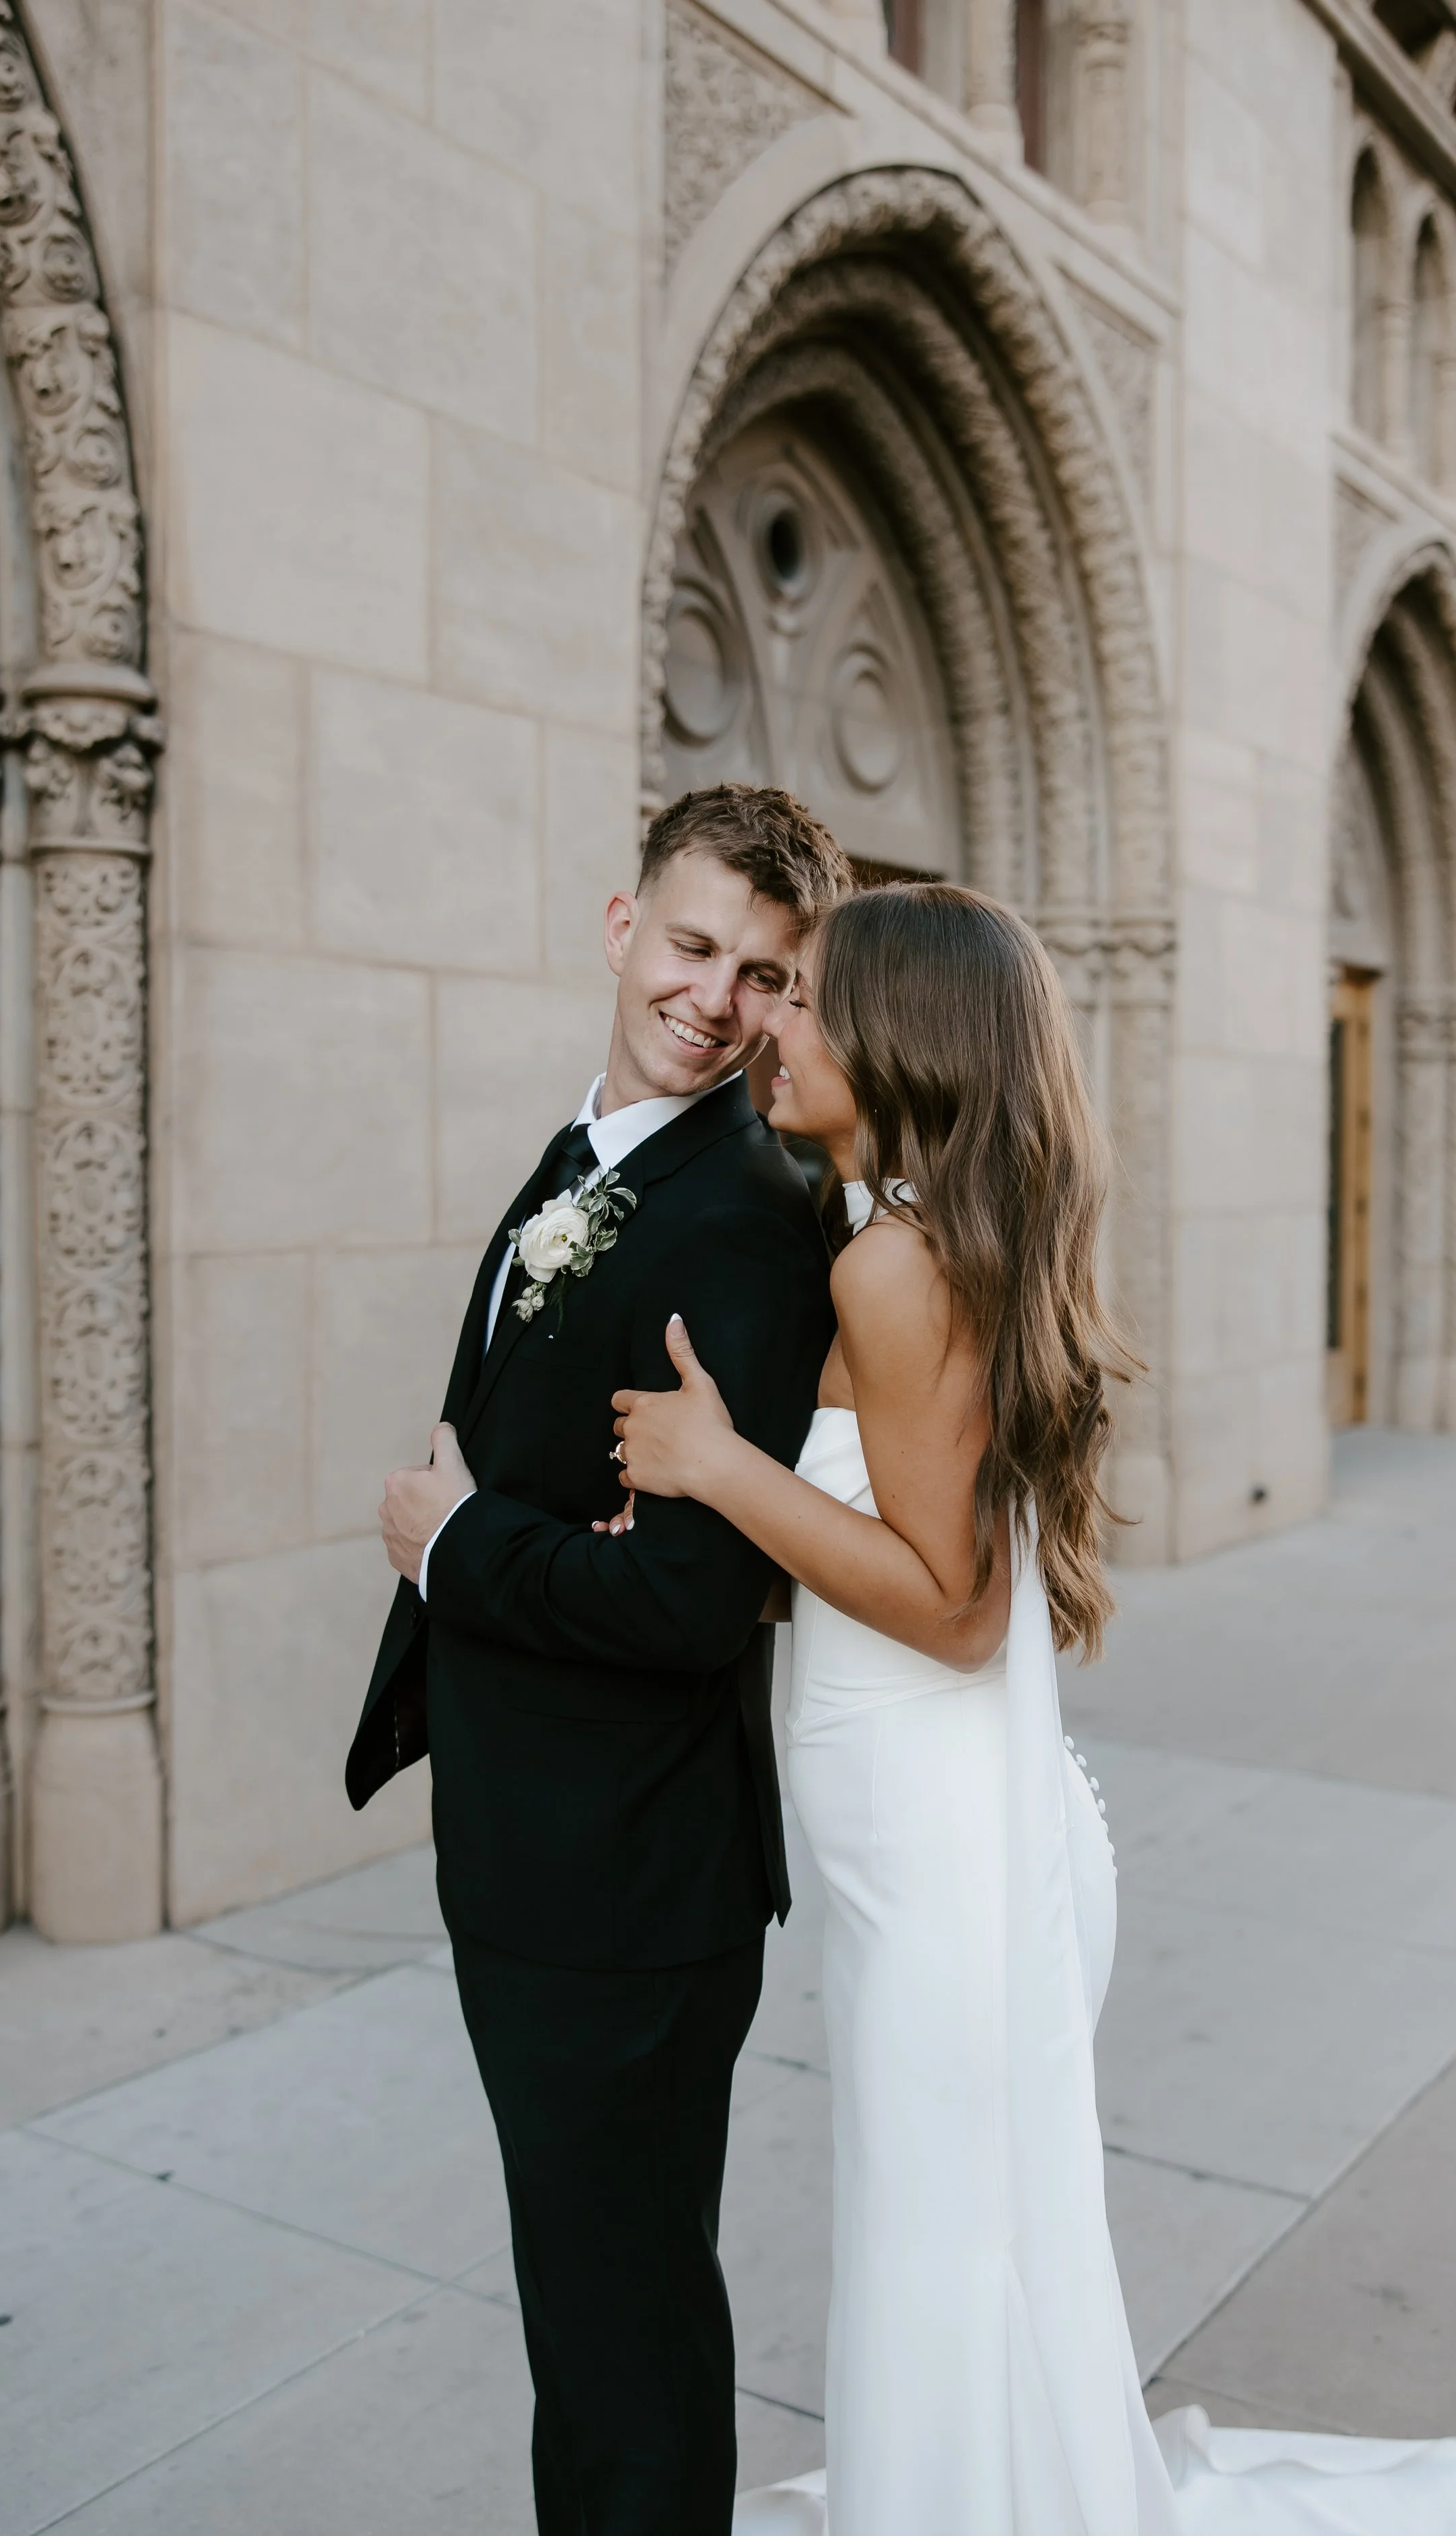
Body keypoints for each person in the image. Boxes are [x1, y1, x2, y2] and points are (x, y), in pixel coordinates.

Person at [609, 879, 1456, 2536]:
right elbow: (893, 1551)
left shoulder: (888, 1264)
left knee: (943, 2249)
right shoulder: (917, 1242)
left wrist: (718, 1467)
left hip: (945, 1863)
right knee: (957, 2244)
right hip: (941, 1841)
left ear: (894, 1036)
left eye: (800, 997)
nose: (762, 1026)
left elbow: (947, 1606)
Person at [347, 783, 849, 2536]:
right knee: (589, 2320)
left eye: (764, 975)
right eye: (697, 944)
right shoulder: (590, 1151)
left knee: (622, 2341)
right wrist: (496, 1515)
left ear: (796, 1001)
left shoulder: (740, 1220)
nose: (716, 997)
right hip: (538, 1844)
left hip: (626, 1885)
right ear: (618, 919)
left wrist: (461, 1539)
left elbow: (692, 1600)